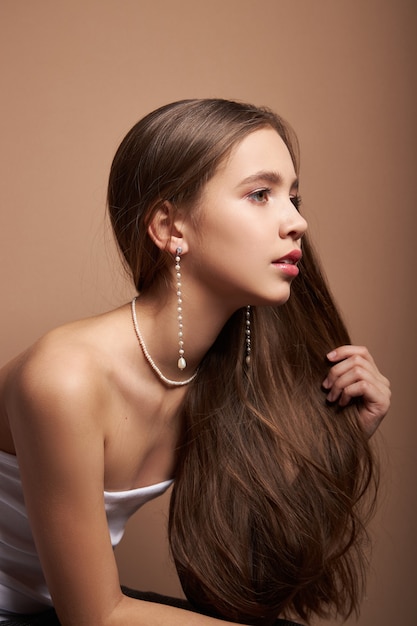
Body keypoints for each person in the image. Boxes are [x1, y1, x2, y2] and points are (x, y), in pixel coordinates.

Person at [0, 99, 390, 626]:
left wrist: (348, 435)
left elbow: (249, 581)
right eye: (260, 194)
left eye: (293, 197)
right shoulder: (66, 379)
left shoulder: (223, 374)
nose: (296, 222)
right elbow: (94, 615)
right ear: (170, 228)